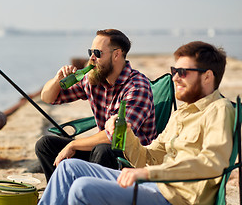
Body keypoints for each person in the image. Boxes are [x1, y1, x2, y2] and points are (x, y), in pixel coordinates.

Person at [38, 41, 235, 205]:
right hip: (156, 184)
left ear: (207, 76)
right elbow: (149, 157)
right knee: (68, 168)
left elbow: (212, 164)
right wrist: (125, 135)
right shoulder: (181, 113)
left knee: (82, 188)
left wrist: (149, 173)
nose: (175, 77)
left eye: (183, 72)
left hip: (177, 197)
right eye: (175, 70)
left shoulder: (220, 109)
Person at [35, 29, 157, 181]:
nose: (92, 58)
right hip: (104, 151)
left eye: (98, 53)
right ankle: (63, 193)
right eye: (90, 52)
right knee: (45, 144)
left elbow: (118, 136)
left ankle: (92, 196)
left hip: (132, 159)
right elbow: (48, 98)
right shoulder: (94, 79)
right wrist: (57, 79)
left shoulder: (137, 87)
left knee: (103, 149)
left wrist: (73, 145)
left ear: (116, 54)